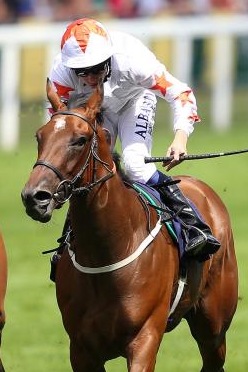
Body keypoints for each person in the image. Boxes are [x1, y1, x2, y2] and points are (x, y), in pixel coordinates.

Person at [47, 17, 219, 258]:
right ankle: (68, 241)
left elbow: (180, 93)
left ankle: (192, 226)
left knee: (134, 165)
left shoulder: (133, 62)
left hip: (136, 101)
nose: (89, 77)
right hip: (93, 110)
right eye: (81, 71)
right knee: (86, 169)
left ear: (108, 57)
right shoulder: (61, 74)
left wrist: (180, 138)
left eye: (97, 68)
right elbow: (60, 124)